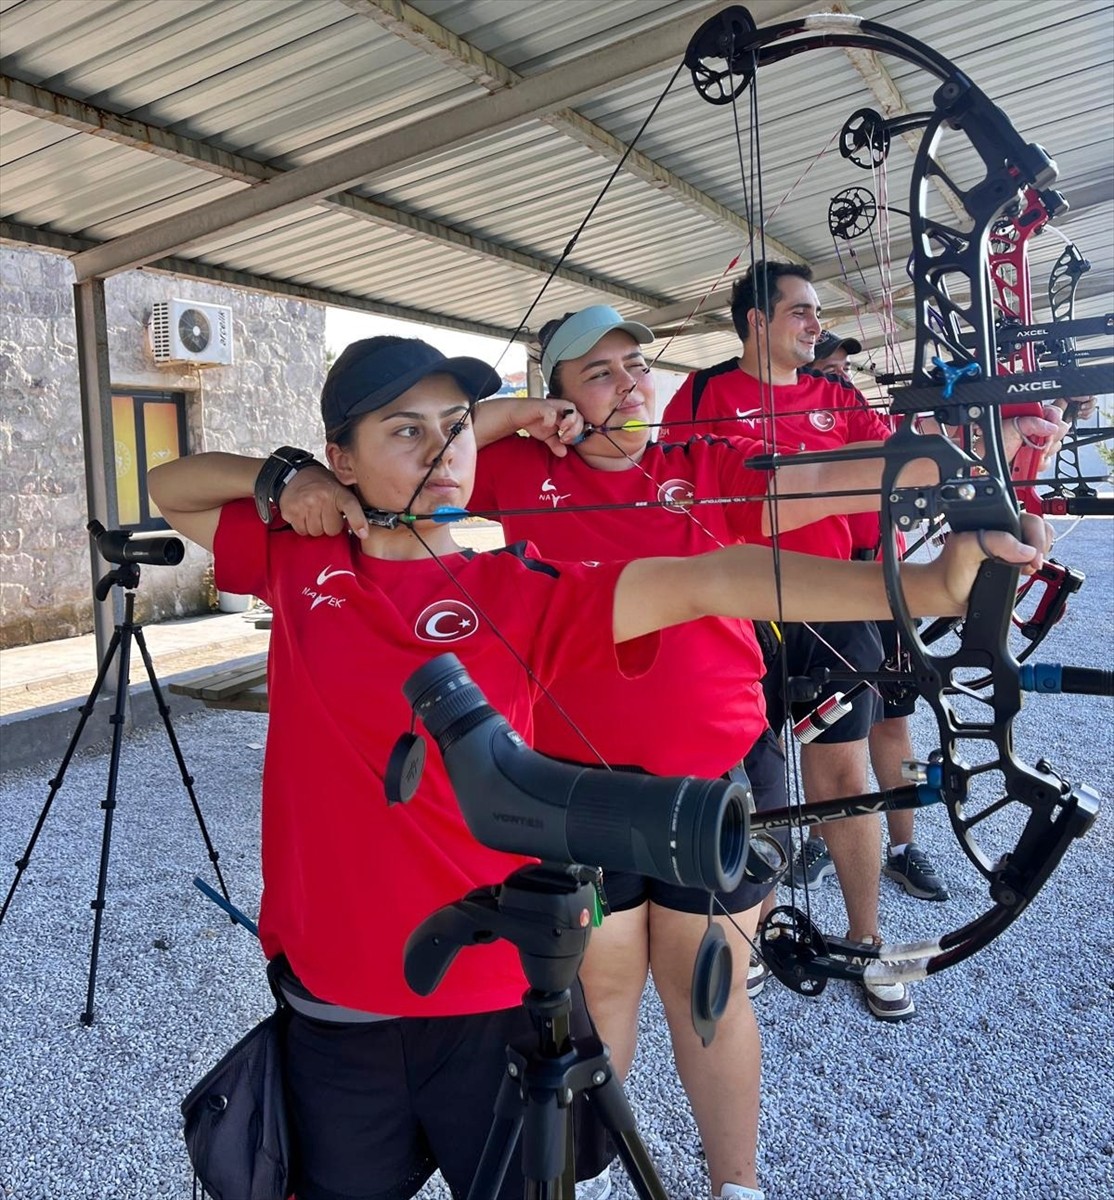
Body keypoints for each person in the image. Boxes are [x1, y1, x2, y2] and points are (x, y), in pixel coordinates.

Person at [147, 334, 1048, 1200]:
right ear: (342, 458)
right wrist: (280, 475)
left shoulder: (517, 586)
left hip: (496, 994)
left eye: (457, 424)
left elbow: (715, 580)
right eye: (405, 429)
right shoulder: (299, 557)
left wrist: (927, 588)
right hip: (337, 996)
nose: (443, 449)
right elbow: (169, 487)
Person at [468, 304, 921, 1200]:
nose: (631, 384)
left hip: (707, 780)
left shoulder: (702, 463)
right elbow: (421, 465)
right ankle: (593, 1179)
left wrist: (945, 460)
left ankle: (736, 1188)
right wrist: (516, 416)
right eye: (599, 374)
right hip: (578, 791)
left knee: (710, 990)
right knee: (599, 1002)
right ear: (555, 398)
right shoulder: (521, 469)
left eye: (635, 364)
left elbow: (833, 482)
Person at [660, 261, 1064, 1022]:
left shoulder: (838, 394)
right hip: (732, 606)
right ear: (755, 321)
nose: (816, 325)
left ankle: (865, 938)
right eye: (801, 312)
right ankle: (751, 933)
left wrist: (996, 453)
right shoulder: (704, 394)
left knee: (842, 777)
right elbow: (682, 495)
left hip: (835, 606)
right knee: (738, 779)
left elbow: (906, 472)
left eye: (817, 312)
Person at [810, 331, 950, 901]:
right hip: (826, 589)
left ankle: (902, 846)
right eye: (826, 366)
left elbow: (924, 458)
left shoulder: (865, 418)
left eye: (844, 366)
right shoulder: (795, 423)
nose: (839, 375)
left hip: (884, 582)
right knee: (826, 732)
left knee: (895, 721)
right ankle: (822, 841)